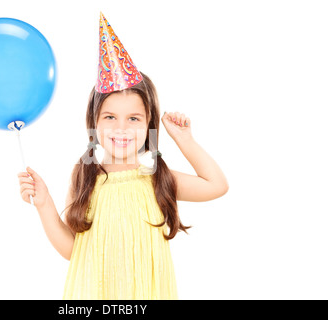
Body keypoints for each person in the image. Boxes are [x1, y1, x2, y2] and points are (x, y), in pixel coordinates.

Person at [17, 13, 229, 300]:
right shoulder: (84, 177)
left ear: (148, 123)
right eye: (110, 116)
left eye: (133, 118)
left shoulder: (156, 178)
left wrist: (184, 139)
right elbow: (73, 251)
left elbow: (216, 184)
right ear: (94, 122)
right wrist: (44, 204)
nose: (121, 128)